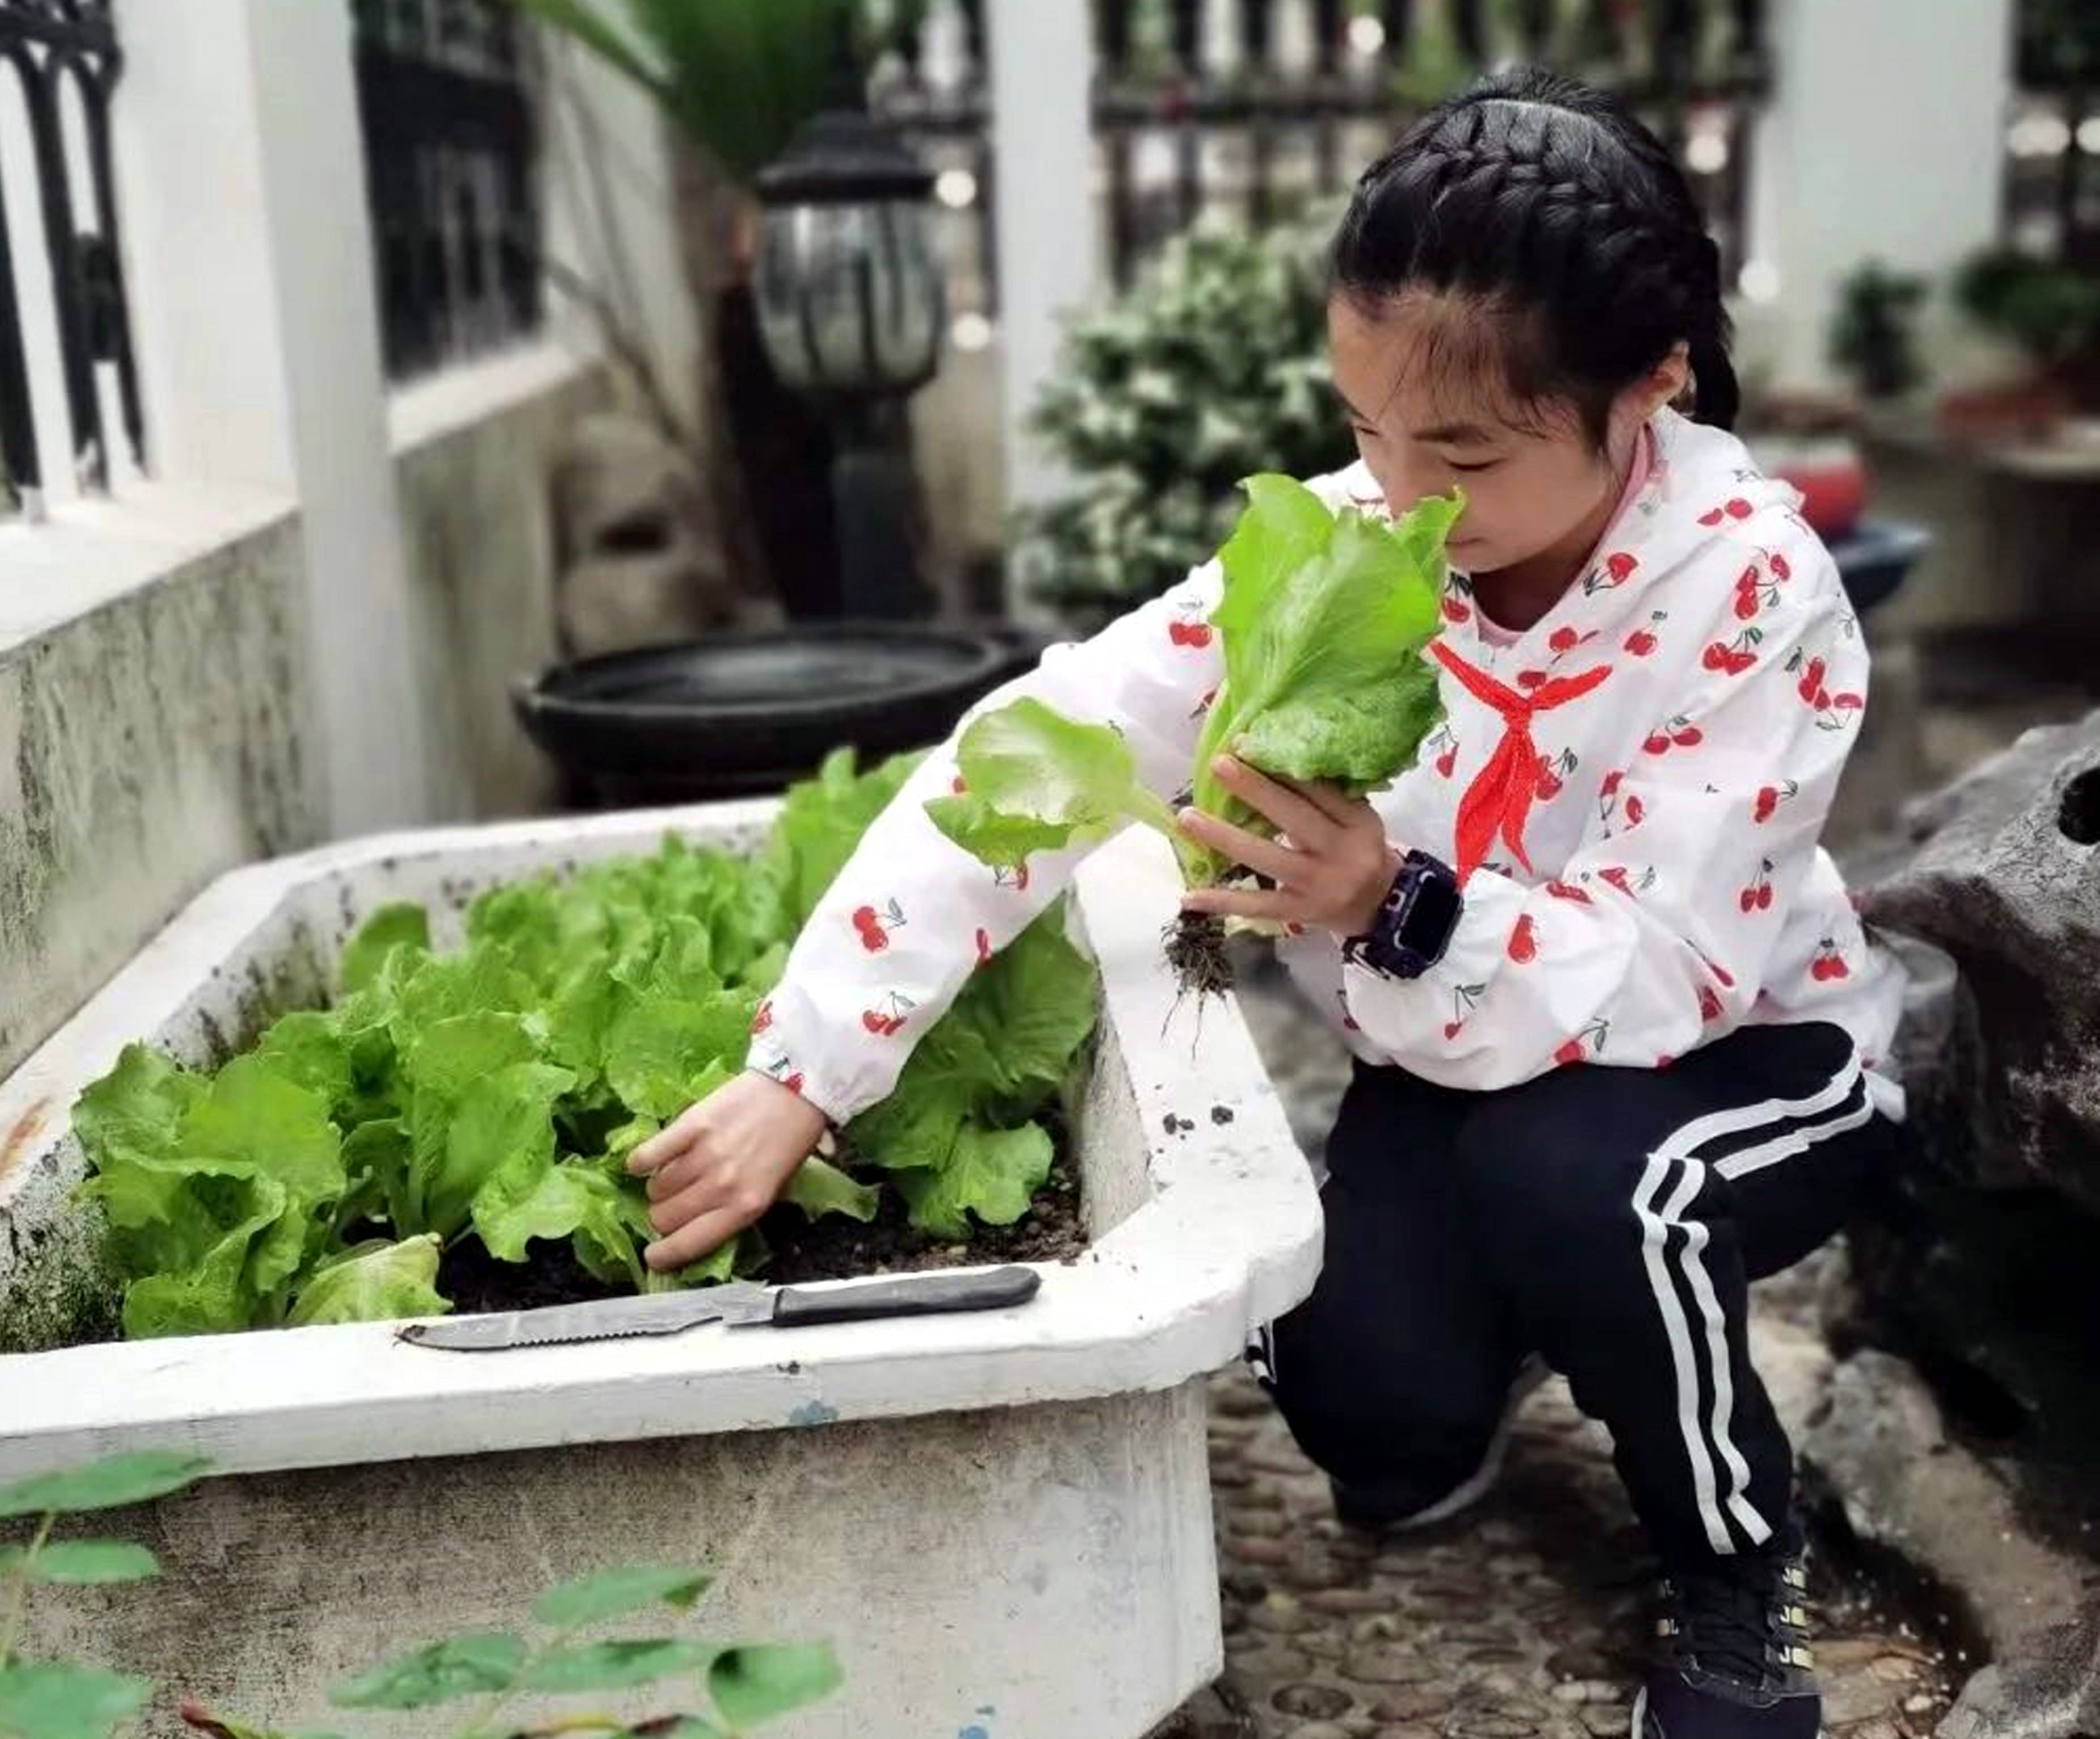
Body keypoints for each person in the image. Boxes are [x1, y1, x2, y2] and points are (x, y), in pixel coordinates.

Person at [626, 69, 1907, 1739]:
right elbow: (1046, 748)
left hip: (1740, 1054)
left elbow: (1666, 972)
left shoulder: (1748, 585)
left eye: (1462, 450)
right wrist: (808, 1061)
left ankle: (1739, 1569)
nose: (1404, 492)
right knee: (1378, 1438)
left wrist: (1395, 904)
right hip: (1459, 1061)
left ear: (1650, 383)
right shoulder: (1349, 552)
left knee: (1586, 1183)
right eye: (1367, 429)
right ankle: (1530, 1319)